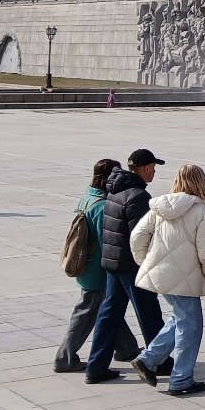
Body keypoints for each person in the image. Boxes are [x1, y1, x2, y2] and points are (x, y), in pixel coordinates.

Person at [128, 164, 205, 395]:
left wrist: (146, 262)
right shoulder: (199, 210)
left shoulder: (159, 206)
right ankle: (181, 378)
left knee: (181, 317)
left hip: (162, 276)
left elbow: (137, 237)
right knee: (191, 326)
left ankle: (148, 359)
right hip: (186, 278)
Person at [84, 149, 167, 383]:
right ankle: (158, 360)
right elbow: (140, 237)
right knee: (149, 313)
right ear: (145, 168)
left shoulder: (114, 189)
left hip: (113, 261)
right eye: (153, 167)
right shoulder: (138, 195)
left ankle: (95, 367)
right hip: (131, 265)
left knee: (109, 314)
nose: (154, 172)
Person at [55, 159, 138, 372]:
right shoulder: (102, 206)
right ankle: (64, 359)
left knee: (110, 310)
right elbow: (107, 243)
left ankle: (127, 348)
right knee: (85, 315)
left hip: (89, 267)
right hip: (97, 272)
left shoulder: (88, 198)